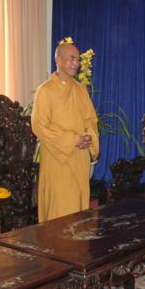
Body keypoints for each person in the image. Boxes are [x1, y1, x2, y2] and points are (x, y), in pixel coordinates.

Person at [31, 41, 99, 222]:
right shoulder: (45, 90)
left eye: (78, 59)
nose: (76, 63)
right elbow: (40, 126)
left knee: (78, 207)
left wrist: (88, 137)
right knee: (59, 208)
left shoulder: (80, 89)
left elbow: (91, 120)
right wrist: (72, 140)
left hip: (79, 157)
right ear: (58, 59)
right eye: (71, 59)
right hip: (57, 157)